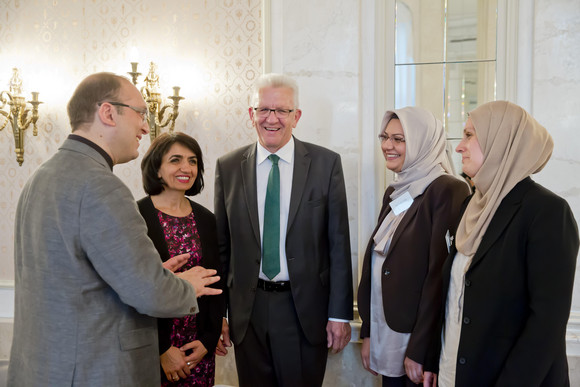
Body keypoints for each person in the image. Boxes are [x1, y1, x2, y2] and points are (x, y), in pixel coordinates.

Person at [8, 72, 222, 386]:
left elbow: (78, 277)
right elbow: (150, 294)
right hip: (90, 370)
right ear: (109, 113)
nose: (146, 127)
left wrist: (153, 274)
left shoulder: (41, 178)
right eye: (140, 114)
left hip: (44, 367)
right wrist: (185, 286)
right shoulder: (101, 187)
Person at [214, 73, 353, 386]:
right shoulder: (228, 166)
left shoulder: (325, 164)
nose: (272, 118)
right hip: (248, 312)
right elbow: (223, 248)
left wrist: (339, 314)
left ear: (296, 116)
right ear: (251, 115)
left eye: (282, 111)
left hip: (303, 310)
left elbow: (338, 245)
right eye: (263, 109)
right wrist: (218, 313)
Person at [437, 100, 579, 386]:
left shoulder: (547, 211)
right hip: (454, 373)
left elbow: (546, 325)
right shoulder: (470, 206)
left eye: (469, 135)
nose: (458, 147)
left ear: (500, 142)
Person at [357, 107, 470, 387]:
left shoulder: (447, 189)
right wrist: (369, 333)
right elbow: (378, 263)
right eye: (384, 137)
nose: (387, 145)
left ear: (423, 142)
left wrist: (422, 351)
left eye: (398, 139)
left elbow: (438, 277)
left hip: (414, 343)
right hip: (386, 333)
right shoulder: (396, 190)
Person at [138, 132, 224, 386]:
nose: (186, 168)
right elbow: (132, 288)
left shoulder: (207, 219)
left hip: (198, 350)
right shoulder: (135, 217)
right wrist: (162, 349)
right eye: (175, 160)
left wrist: (208, 341)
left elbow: (217, 283)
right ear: (157, 168)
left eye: (193, 160)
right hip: (153, 348)